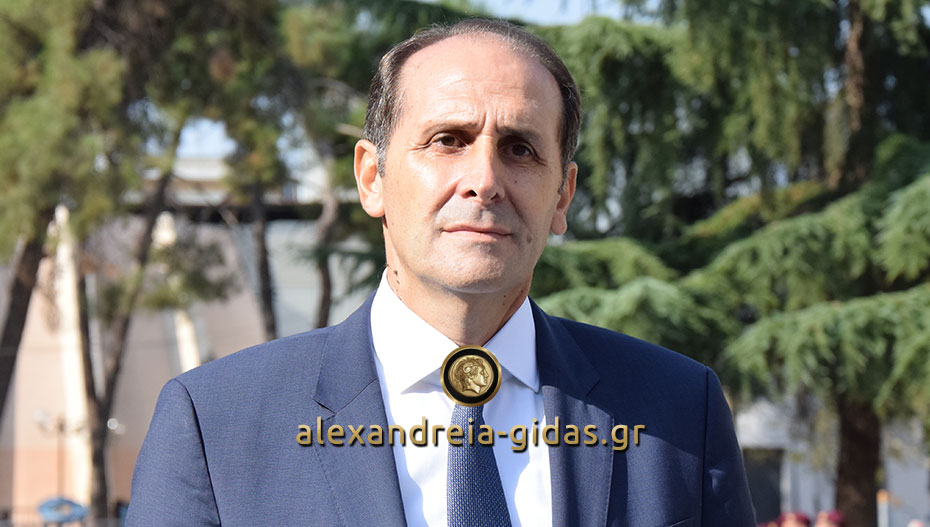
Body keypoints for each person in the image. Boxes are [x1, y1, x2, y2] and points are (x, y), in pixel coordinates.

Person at [126, 17, 755, 526]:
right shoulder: (216, 425)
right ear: (371, 178)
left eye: (519, 149)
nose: (484, 180)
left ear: (562, 196)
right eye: (448, 140)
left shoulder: (677, 410)